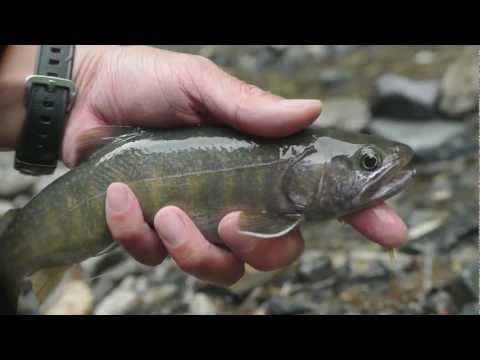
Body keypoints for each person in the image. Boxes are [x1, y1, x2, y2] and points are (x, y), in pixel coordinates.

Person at [0, 45, 408, 286]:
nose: (375, 166)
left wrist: (82, 80)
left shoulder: (281, 213)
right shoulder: (275, 216)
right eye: (367, 162)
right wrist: (78, 86)